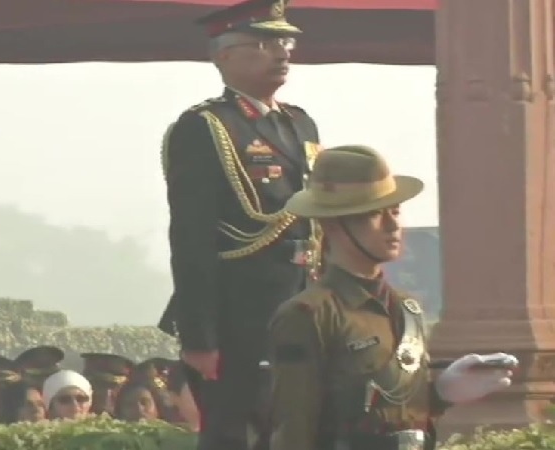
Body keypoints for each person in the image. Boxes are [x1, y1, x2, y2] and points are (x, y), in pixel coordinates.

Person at [267, 145, 518, 450]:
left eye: (395, 211)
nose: (392, 225)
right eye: (373, 214)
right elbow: (294, 428)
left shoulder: (406, 308)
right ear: (332, 225)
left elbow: (399, 411)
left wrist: (438, 392)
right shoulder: (310, 314)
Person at [158, 0, 322, 448]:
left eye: (285, 41)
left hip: (299, 302)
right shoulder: (206, 127)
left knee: (295, 426)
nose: (282, 52)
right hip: (239, 312)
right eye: (266, 43)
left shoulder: (300, 124)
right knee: (234, 431)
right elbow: (191, 239)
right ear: (224, 55)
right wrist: (200, 336)